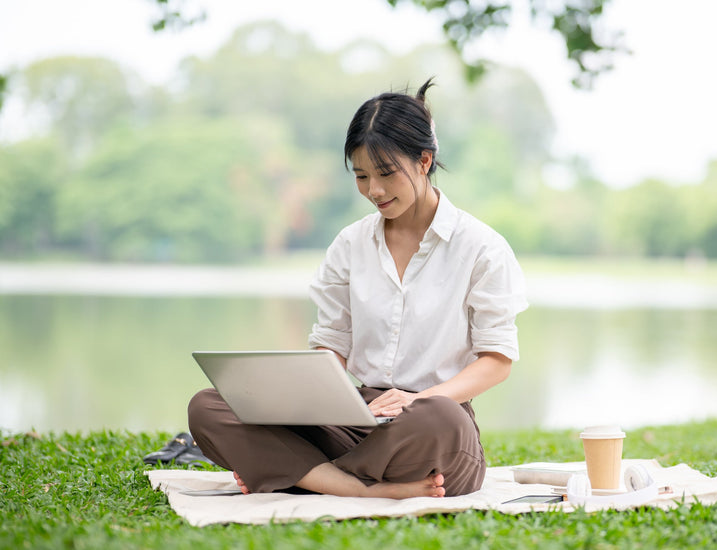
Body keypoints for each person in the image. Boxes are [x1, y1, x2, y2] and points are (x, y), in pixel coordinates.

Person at [188, 78, 528, 499]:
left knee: (440, 419)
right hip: (354, 418)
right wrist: (320, 397)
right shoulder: (350, 244)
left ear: (425, 160)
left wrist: (415, 401)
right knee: (210, 405)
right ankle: (360, 486)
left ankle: (296, 474)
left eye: (386, 174)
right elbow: (331, 344)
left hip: (430, 425)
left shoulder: (482, 248)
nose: (374, 191)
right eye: (362, 176)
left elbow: (497, 361)